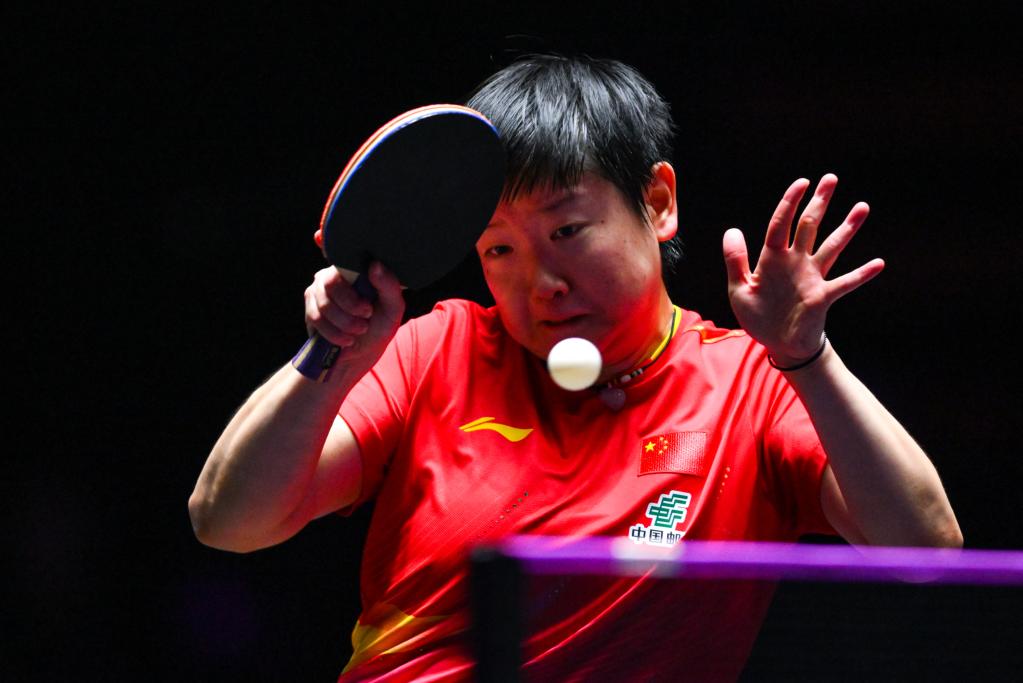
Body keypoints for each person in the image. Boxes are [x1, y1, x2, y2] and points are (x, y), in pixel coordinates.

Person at [189, 54, 961, 681]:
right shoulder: (436, 350)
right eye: (499, 248)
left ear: (657, 202)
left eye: (566, 230)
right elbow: (227, 521)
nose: (541, 283)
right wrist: (329, 358)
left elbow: (926, 552)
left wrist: (805, 358)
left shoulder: (751, 386)